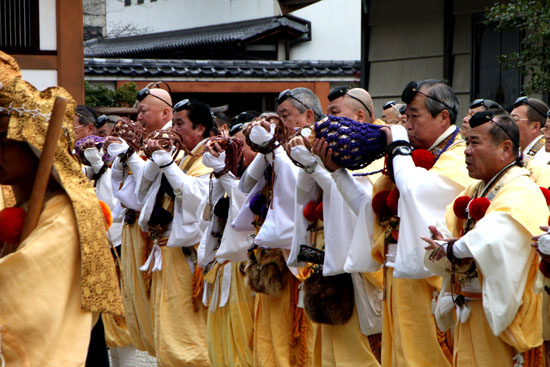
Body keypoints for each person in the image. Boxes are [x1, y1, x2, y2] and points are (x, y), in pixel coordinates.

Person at [320, 79, 472, 367]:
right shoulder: (408, 157)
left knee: (424, 359)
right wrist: (337, 173)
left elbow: (416, 194)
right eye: (405, 117)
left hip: (429, 282)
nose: (407, 124)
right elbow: (370, 210)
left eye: (414, 116)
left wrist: (400, 148)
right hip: (396, 277)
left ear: (443, 118)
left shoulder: (456, 158)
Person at [0, 50, 122, 365]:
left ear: (33, 147)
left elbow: (23, 291)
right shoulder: (30, 202)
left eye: (3, 142)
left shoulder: (66, 214)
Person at [424, 110, 547, 366]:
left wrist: (453, 249)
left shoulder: (522, 189)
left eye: (475, 143)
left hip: (499, 323)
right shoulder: (476, 188)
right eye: (466, 142)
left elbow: (495, 237)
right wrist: (444, 243)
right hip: (469, 311)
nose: (467, 151)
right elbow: (446, 227)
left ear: (505, 149)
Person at [286, 88, 383, 367]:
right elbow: (306, 201)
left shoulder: (375, 157)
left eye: (334, 114)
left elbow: (359, 210)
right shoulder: (337, 153)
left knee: (357, 354)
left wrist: (318, 169)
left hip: (358, 271)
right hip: (327, 264)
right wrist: (309, 164)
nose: (324, 124)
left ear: (360, 116)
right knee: (327, 352)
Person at [136, 98, 213, 365]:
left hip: (187, 256)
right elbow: (141, 192)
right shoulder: (179, 155)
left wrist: (166, 165)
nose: (173, 129)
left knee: (188, 328)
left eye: (179, 124)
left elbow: (195, 200)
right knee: (167, 327)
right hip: (165, 251)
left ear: (200, 128)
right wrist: (155, 160)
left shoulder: (211, 157)